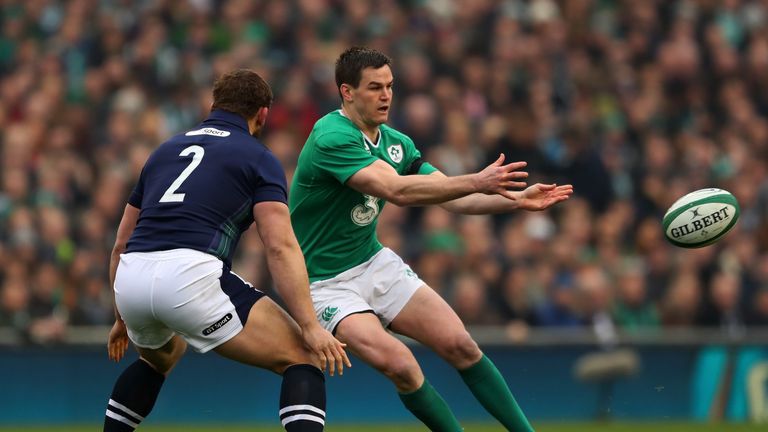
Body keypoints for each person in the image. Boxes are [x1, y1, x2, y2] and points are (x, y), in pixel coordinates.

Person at [289, 47, 573, 431]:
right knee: (402, 365)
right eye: (374, 87)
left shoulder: (396, 143)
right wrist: (477, 179)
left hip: (372, 261)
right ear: (347, 92)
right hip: (323, 283)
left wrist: (515, 201)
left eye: (390, 86)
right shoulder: (332, 136)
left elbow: (451, 198)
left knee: (461, 345)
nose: (386, 95)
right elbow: (397, 191)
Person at [103, 69, 350, 432]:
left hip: (132, 279)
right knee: (305, 356)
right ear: (262, 114)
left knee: (163, 357)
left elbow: (121, 244)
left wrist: (121, 317)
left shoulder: (165, 150)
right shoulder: (258, 156)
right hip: (190, 275)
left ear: (214, 105)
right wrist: (311, 325)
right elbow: (280, 246)